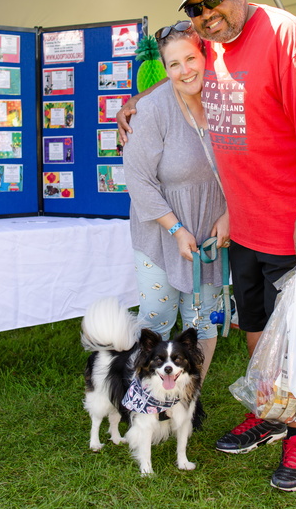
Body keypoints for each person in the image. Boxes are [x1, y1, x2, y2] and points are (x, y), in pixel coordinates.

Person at [118, 0, 296, 492]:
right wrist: (136, 103)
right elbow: (180, 82)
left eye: (215, 1)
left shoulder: (289, 38)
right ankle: (272, 415)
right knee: (257, 334)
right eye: (196, 9)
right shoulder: (213, 50)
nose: (208, 14)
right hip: (246, 228)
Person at [123, 20, 229, 384]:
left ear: (206, 55)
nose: (185, 71)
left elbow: (248, 164)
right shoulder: (152, 110)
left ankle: (188, 398)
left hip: (212, 232)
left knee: (202, 321)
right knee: (157, 318)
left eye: (191, 58)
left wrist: (231, 214)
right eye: (174, 64)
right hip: (161, 231)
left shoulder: (225, 99)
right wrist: (177, 229)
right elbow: (137, 180)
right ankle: (147, 401)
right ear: (165, 71)